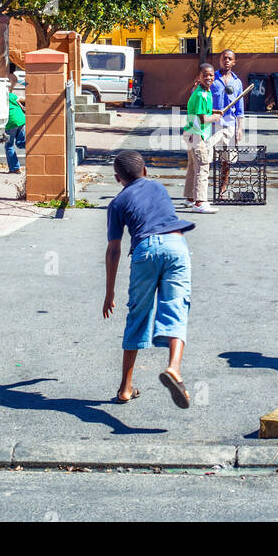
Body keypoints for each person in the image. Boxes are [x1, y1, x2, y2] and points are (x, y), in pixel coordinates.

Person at [102, 150, 196, 408]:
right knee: (176, 308)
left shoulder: (117, 204)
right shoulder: (158, 187)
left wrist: (109, 293)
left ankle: (125, 387)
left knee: (138, 315)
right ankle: (174, 368)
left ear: (117, 178)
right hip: (176, 245)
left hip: (145, 251)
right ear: (145, 170)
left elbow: (114, 249)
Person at [182, 63, 222, 214]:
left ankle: (190, 198)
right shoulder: (200, 94)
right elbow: (203, 118)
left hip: (191, 133)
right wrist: (215, 117)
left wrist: (214, 111)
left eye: (211, 75)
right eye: (205, 75)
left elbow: (204, 111)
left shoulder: (205, 91)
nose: (209, 77)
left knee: (193, 166)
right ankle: (200, 203)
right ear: (199, 77)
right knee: (203, 166)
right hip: (196, 135)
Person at [211, 49, 245, 196]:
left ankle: (222, 188)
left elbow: (240, 108)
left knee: (227, 160)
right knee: (207, 157)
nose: (226, 61)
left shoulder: (237, 83)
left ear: (234, 62)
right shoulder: (212, 78)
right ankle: (202, 187)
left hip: (230, 125)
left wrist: (239, 129)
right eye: (224, 58)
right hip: (212, 124)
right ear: (220, 60)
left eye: (229, 59)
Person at [3, 72, 26, 174]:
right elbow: (21, 102)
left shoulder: (1, 97)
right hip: (21, 120)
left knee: (9, 145)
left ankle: (15, 168)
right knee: (21, 143)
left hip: (11, 122)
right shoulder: (12, 95)